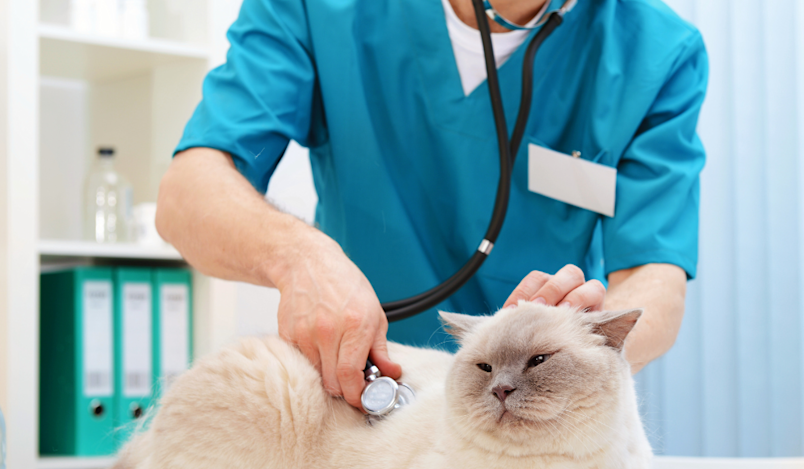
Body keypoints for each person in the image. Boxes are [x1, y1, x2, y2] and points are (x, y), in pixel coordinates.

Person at [156, 0, 707, 410]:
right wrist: (298, 258)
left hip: (527, 411)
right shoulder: (320, 10)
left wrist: (581, 348)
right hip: (361, 396)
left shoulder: (654, 51)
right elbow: (188, 194)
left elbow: (656, 280)